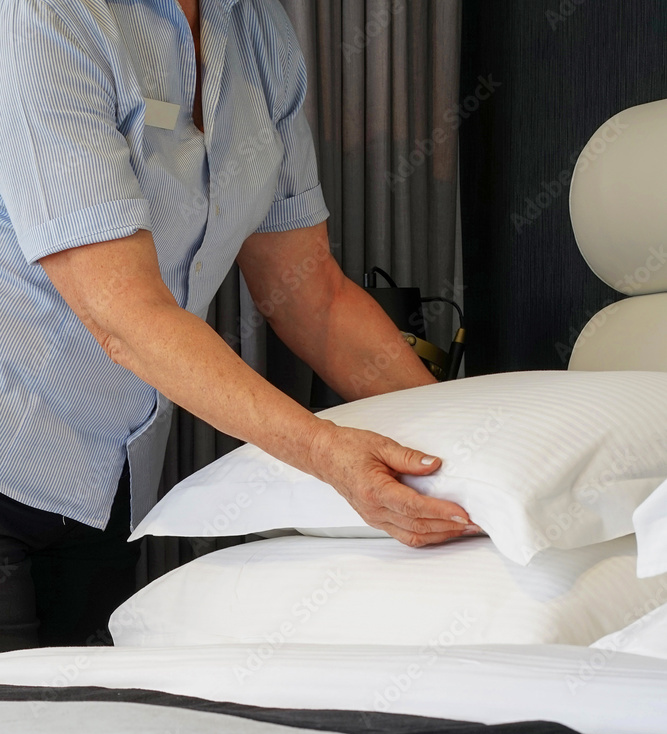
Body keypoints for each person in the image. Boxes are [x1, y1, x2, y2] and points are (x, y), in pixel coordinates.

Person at [0, 0, 476, 652]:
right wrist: (324, 453)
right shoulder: (46, 17)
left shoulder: (256, 32)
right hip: (10, 454)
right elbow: (124, 316)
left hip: (105, 482)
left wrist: (469, 439)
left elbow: (315, 297)